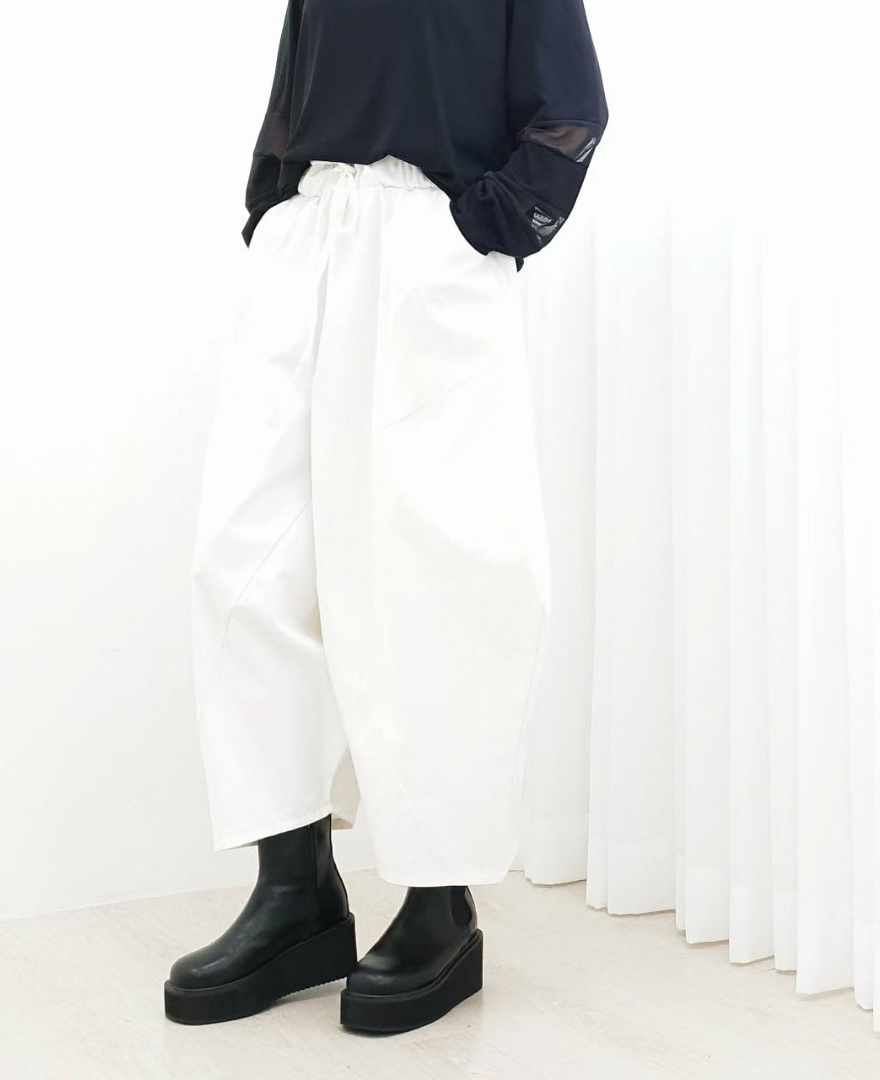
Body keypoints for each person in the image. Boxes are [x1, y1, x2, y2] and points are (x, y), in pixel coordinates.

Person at [164, 0, 608, 1034]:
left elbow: (571, 106)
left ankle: (438, 900)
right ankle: (296, 889)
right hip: (310, 236)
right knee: (243, 562)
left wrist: (481, 230)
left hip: (428, 245)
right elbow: (296, 84)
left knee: (437, 574)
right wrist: (274, 211)